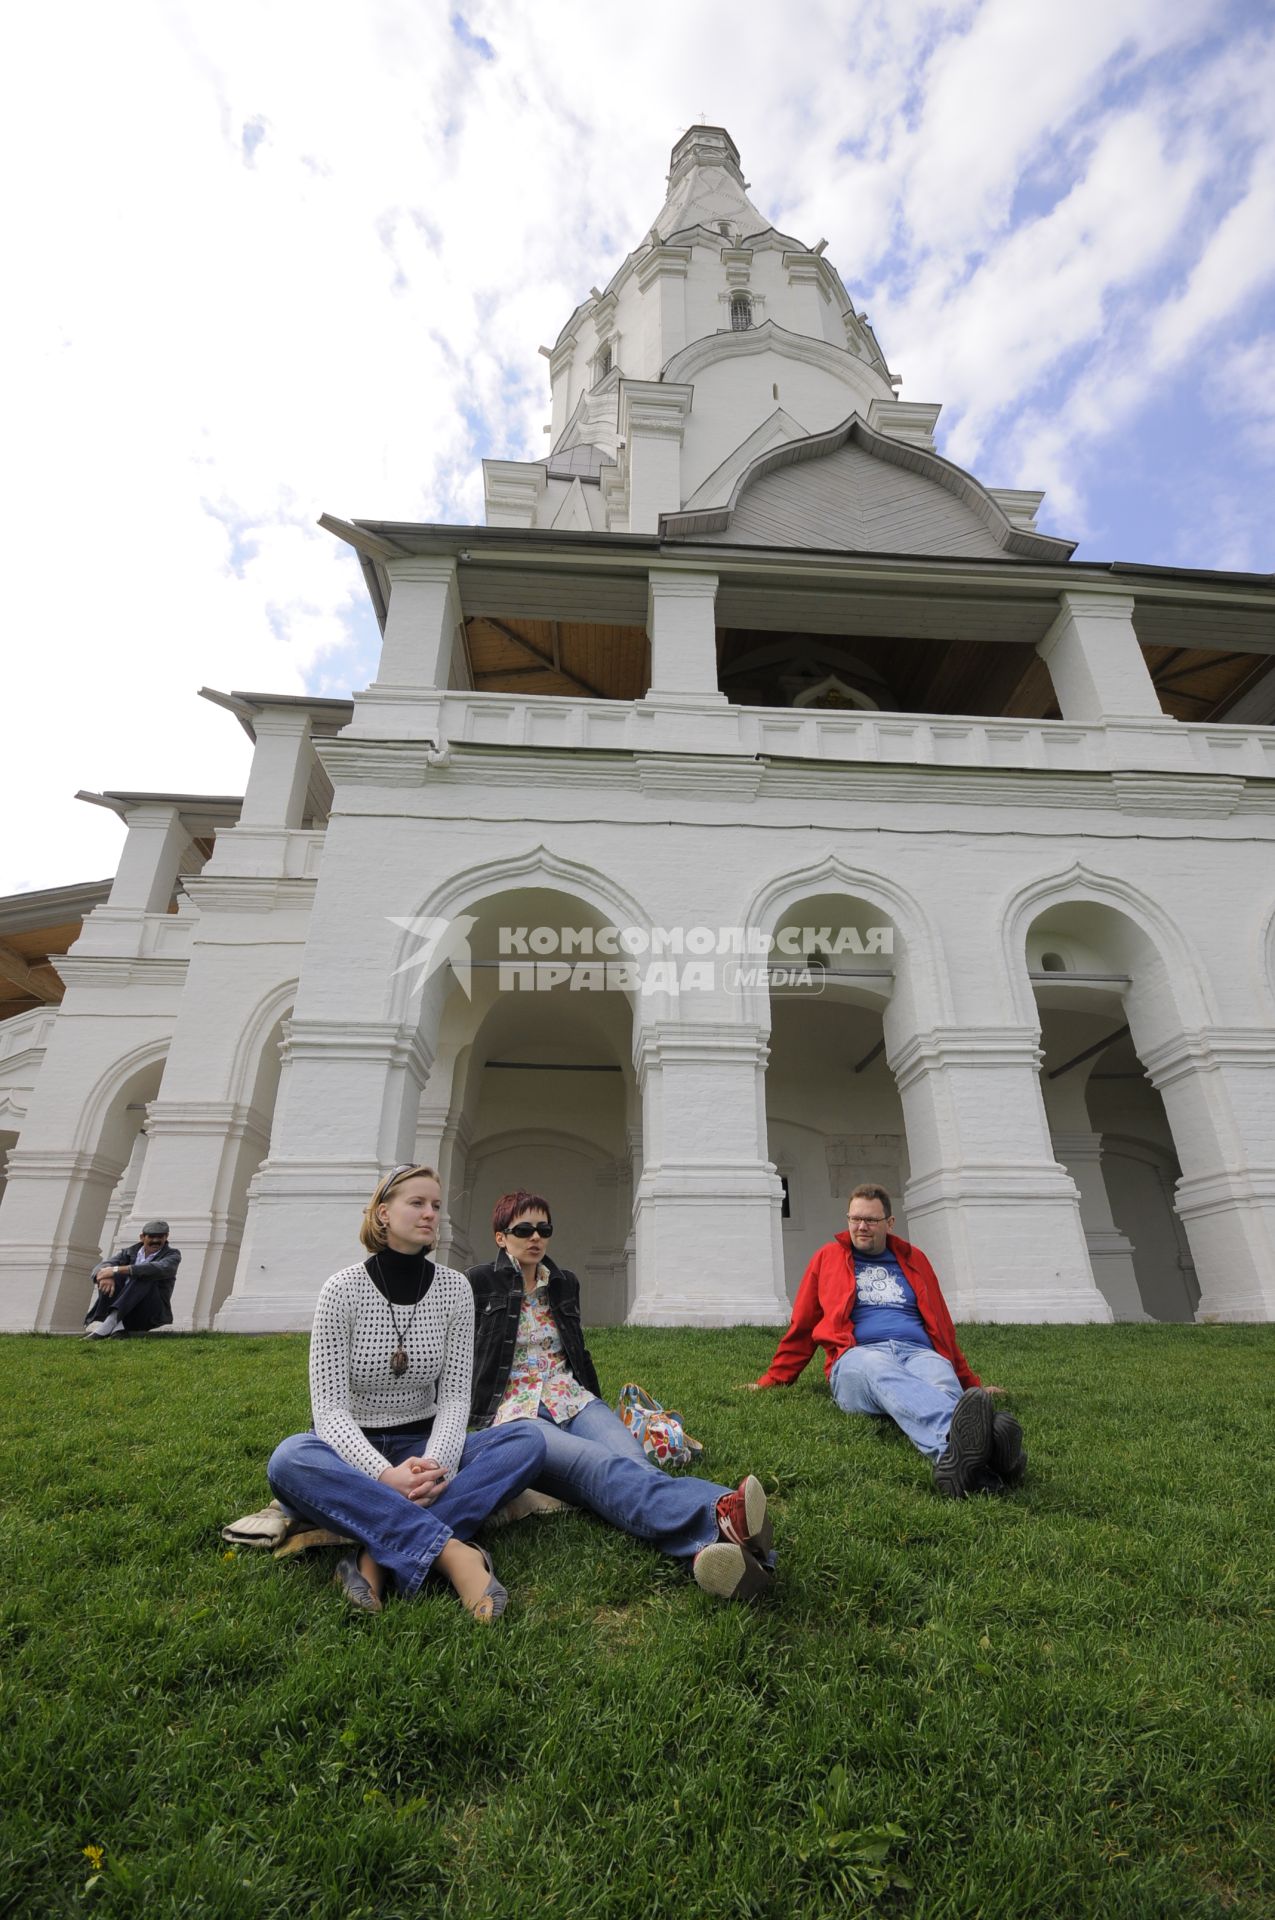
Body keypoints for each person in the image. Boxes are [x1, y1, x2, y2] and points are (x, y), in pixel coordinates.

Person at [266, 1165, 548, 1620]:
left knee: (527, 1440)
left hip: (424, 1442)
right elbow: (330, 1410)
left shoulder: (454, 1288)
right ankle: (455, 1555)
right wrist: (385, 1476)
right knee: (290, 1458)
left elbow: (457, 1398)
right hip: (350, 1452)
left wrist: (433, 1466)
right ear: (382, 1213)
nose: (430, 1214)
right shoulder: (341, 1290)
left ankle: (372, 1559)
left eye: (436, 1205)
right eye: (417, 1203)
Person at [467, 1190, 776, 1601]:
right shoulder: (476, 1284)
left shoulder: (563, 1284)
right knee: (597, 1466)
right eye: (523, 1229)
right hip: (517, 1413)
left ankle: (710, 1554)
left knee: (630, 1461)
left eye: (544, 1228)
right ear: (501, 1237)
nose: (536, 1237)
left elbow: (578, 1351)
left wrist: (597, 1406)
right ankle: (720, 1512)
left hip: (573, 1399)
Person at [743, 1185, 1026, 1498]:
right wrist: (772, 1380)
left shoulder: (914, 1259)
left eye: (871, 1220)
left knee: (940, 1378)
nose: (861, 1226)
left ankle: (968, 1465)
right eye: (855, 1219)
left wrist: (970, 1382)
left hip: (918, 1352)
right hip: (857, 1359)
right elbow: (803, 1324)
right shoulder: (828, 1258)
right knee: (877, 1367)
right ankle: (970, 1443)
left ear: (890, 1223)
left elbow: (942, 1326)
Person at [83, 1221, 180, 1338]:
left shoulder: (173, 1255)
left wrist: (116, 1270)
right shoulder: (128, 1252)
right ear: (142, 1237)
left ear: (166, 1237)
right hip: (127, 1312)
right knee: (113, 1274)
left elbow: (159, 1268)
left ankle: (108, 1324)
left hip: (149, 1311)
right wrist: (105, 1275)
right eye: (151, 1236)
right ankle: (118, 1327)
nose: (156, 1240)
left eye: (160, 1237)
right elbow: (102, 1266)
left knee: (143, 1274)